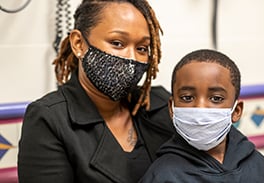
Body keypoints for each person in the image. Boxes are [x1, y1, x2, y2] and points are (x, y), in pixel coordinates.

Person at [17, 1, 175, 183]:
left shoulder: (161, 103)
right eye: (117, 43)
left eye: (141, 48)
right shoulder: (49, 119)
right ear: (78, 44)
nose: (132, 58)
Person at [139, 49, 264, 183]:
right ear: (171, 108)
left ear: (236, 111)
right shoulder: (162, 175)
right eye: (187, 97)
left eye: (216, 98)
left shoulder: (260, 167)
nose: (200, 107)